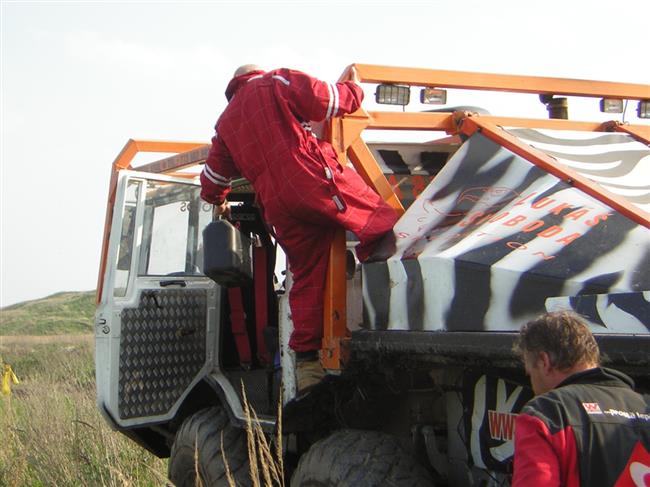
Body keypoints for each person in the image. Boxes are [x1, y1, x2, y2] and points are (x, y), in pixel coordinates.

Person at [200, 64, 399, 393]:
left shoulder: (225, 125)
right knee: (380, 221)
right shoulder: (273, 81)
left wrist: (219, 201)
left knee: (307, 275)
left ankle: (307, 360)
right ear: (255, 74)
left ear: (232, 89)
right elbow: (326, 99)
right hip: (310, 178)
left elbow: (211, 181)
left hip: (278, 207)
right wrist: (355, 88)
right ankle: (388, 305)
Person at [512, 311, 650, 487]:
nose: (531, 382)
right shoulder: (645, 406)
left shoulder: (547, 413)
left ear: (543, 361)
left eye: (529, 373)